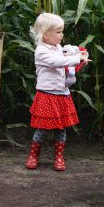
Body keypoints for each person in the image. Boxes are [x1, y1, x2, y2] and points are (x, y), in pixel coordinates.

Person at [25, 13, 90, 171]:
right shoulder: (41, 51)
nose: (62, 35)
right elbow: (57, 62)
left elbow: (65, 57)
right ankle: (34, 156)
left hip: (62, 94)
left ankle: (59, 157)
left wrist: (78, 54)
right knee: (42, 128)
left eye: (62, 31)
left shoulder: (58, 48)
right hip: (47, 95)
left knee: (62, 128)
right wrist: (77, 59)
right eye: (58, 32)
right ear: (45, 34)